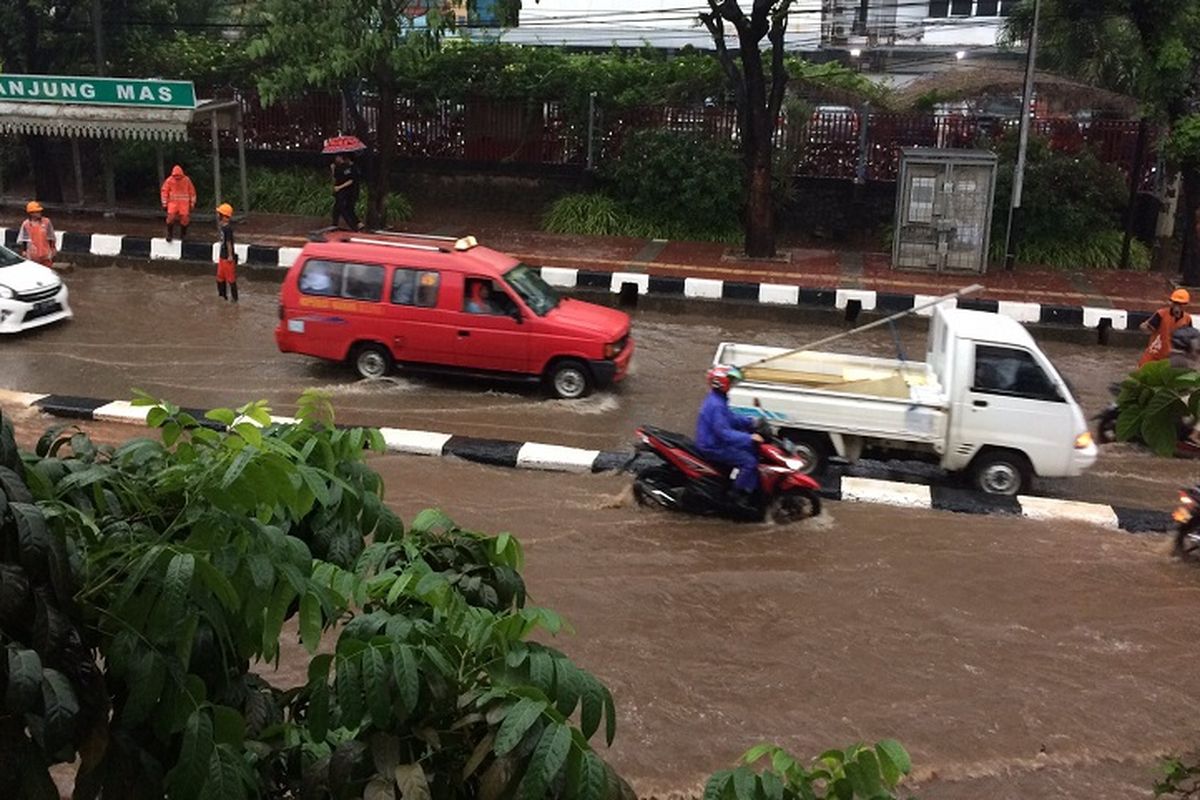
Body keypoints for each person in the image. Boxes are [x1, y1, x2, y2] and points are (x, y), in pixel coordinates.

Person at [695, 365, 763, 511]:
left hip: (715, 441)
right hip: (712, 446)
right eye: (730, 381)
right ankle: (736, 495)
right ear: (722, 383)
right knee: (749, 461)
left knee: (751, 451)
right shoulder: (717, 405)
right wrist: (749, 437)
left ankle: (747, 486)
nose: (732, 384)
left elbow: (731, 418)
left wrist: (751, 421)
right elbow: (724, 433)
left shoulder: (718, 399)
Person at [1139, 289, 1193, 367]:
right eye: (1175, 303)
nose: (1177, 307)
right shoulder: (1161, 314)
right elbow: (1147, 328)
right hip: (1154, 355)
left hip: (1172, 359)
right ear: (1171, 303)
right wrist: (1144, 327)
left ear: (1185, 305)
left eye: (1180, 304)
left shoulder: (1187, 319)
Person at [160, 164, 196, 242]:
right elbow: (164, 192)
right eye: (175, 176)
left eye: (178, 176)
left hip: (183, 204)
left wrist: (192, 203)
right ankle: (169, 234)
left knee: (185, 219)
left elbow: (192, 192)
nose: (177, 178)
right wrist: (164, 203)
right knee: (170, 218)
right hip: (173, 203)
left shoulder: (187, 180)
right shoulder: (169, 180)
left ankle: (183, 235)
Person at [17, 201, 56, 268]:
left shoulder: (46, 222)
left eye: (39, 211)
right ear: (31, 213)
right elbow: (24, 239)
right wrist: (24, 251)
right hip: (32, 254)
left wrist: (53, 249)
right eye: (37, 212)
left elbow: (51, 237)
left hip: (45, 253)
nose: (39, 213)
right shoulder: (26, 224)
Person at [331, 153, 364, 231]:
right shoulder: (338, 167)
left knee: (345, 209)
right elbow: (335, 178)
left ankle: (354, 225)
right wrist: (332, 170)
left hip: (348, 192)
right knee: (338, 209)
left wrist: (339, 187)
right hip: (341, 192)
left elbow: (351, 180)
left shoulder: (351, 168)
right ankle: (335, 224)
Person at [215, 203, 238, 303]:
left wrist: (230, 256)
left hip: (227, 258)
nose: (218, 216)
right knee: (220, 277)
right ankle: (222, 296)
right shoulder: (223, 227)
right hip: (222, 256)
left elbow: (229, 243)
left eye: (220, 214)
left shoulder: (228, 229)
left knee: (231, 279)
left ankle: (234, 298)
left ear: (224, 216)